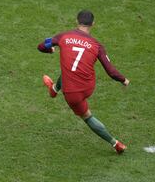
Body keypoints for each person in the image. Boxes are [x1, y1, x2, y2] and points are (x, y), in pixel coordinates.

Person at [37, 10, 130, 154]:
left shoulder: (63, 36)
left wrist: (50, 50)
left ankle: (115, 143)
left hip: (73, 93)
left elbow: (42, 46)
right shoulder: (97, 45)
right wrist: (123, 80)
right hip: (88, 86)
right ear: (93, 23)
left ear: (76, 21)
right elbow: (110, 71)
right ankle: (54, 89)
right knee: (72, 69)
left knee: (87, 117)